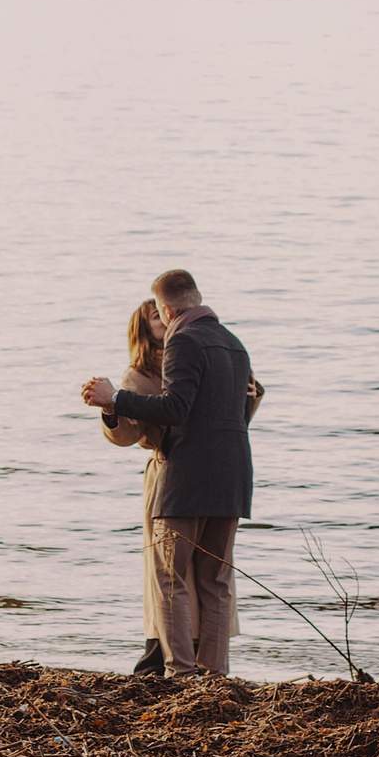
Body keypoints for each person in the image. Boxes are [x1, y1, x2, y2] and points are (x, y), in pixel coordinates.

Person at [81, 270, 260, 677]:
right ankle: (213, 678)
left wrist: (114, 398)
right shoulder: (234, 343)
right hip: (233, 477)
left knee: (170, 579)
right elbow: (230, 419)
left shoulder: (184, 341)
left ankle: (181, 675)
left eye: (161, 314)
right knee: (215, 583)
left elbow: (177, 409)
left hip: (185, 477)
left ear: (167, 308)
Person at [99, 299, 173, 677]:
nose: (166, 318)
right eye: (157, 315)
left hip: (198, 470)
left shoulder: (191, 362)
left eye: (165, 311)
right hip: (166, 474)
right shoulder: (139, 375)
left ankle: (188, 655)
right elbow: (128, 434)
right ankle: (154, 659)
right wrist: (111, 409)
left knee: (192, 574)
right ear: (144, 330)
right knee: (165, 570)